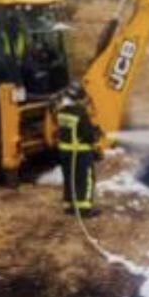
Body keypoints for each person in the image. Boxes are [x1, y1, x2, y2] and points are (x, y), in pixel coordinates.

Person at [57, 83, 100, 218]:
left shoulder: (61, 111)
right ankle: (84, 208)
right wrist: (96, 134)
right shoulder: (80, 112)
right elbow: (87, 135)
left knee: (69, 178)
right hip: (79, 152)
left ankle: (69, 205)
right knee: (85, 179)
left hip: (64, 151)